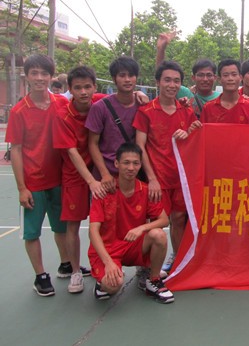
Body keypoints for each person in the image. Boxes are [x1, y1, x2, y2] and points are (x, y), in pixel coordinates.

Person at [6, 54, 69, 296]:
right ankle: (40, 275)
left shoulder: (60, 103)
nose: (40, 78)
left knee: (61, 227)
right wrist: (22, 188)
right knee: (32, 232)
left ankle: (66, 264)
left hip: (59, 180)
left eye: (44, 73)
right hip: (33, 183)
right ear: (27, 76)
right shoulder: (19, 111)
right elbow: (16, 150)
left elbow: (89, 99)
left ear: (51, 77)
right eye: (35, 73)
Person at [134, 61, 200, 278]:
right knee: (156, 225)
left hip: (180, 179)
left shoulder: (186, 111)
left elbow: (194, 141)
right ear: (158, 82)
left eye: (176, 81)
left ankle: (178, 265)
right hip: (158, 179)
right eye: (167, 80)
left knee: (179, 219)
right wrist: (151, 178)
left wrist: (190, 133)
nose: (172, 85)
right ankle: (148, 270)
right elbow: (140, 146)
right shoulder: (146, 111)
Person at [88, 143, 174, 303]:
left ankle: (153, 280)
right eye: (126, 163)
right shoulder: (104, 191)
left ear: (140, 165)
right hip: (108, 249)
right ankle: (102, 283)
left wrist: (141, 228)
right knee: (113, 285)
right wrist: (108, 263)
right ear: (116, 163)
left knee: (159, 235)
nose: (131, 167)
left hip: (132, 246)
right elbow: (93, 231)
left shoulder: (146, 190)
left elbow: (164, 220)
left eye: (136, 163)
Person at [53, 66, 106, 294]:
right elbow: (72, 152)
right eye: (77, 88)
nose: (83, 92)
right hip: (76, 176)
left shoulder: (101, 102)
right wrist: (91, 181)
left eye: (87, 87)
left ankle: (103, 265)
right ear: (70, 89)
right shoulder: (62, 115)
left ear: (94, 87)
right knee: (73, 225)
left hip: (100, 172)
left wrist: (138, 94)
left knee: (104, 222)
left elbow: (125, 97)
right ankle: (75, 271)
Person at [86, 57, 143, 195]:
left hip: (134, 175)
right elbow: (92, 143)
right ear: (114, 78)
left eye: (131, 75)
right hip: (107, 177)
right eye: (122, 75)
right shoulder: (100, 108)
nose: (127, 79)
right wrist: (104, 174)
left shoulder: (143, 105)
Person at [201, 59, 249, 124]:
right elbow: (202, 129)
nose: (230, 78)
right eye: (225, 75)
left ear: (240, 77)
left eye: (234, 74)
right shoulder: (208, 108)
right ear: (219, 79)